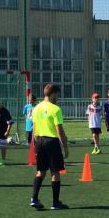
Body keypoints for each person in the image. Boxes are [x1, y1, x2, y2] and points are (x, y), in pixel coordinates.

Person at [30, 82, 69, 210]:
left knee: (40, 171)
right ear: (52, 94)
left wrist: (36, 145)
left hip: (39, 141)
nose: (57, 97)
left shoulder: (36, 108)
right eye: (56, 94)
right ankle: (55, 203)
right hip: (51, 142)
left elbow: (34, 130)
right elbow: (60, 130)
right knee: (55, 172)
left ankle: (34, 199)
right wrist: (65, 146)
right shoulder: (55, 109)